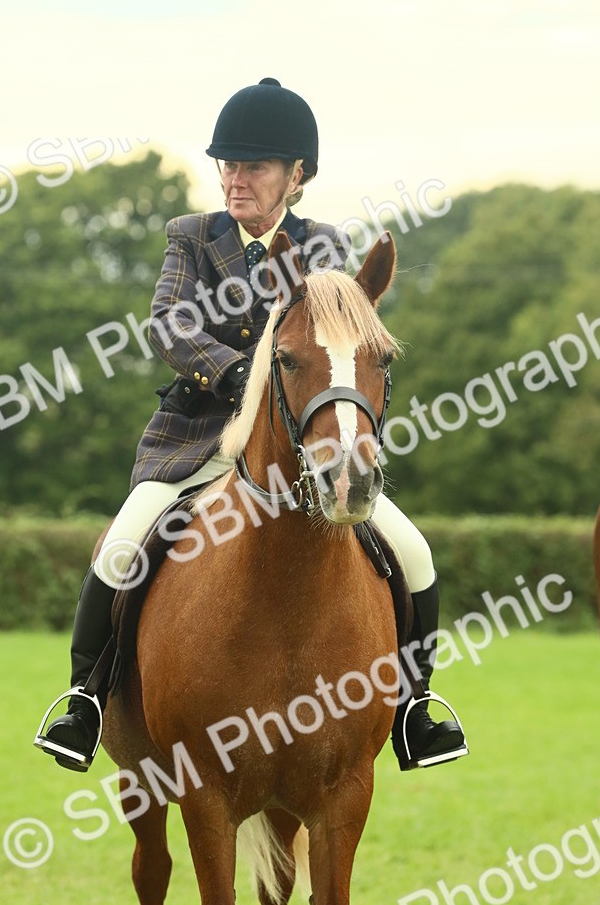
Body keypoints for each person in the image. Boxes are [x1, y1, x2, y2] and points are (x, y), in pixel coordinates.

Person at [34, 77, 467, 775]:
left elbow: (337, 347)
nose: (236, 179)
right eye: (228, 166)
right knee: (119, 551)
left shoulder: (325, 247)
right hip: (195, 442)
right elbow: (170, 322)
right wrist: (238, 374)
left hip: (303, 447)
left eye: (254, 167)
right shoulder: (192, 239)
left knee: (412, 553)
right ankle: (85, 700)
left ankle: (416, 708)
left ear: (295, 176)